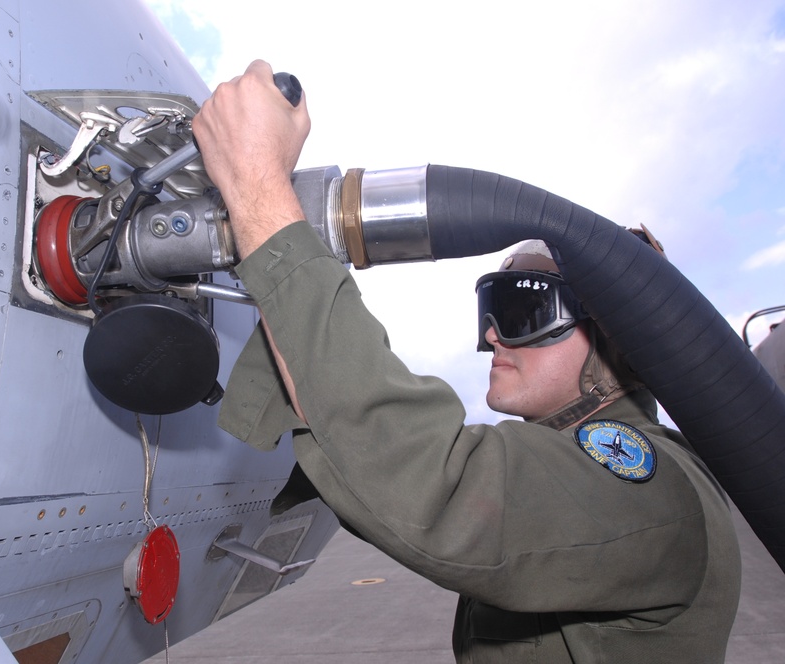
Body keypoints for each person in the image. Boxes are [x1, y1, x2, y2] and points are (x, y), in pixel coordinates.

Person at [193, 60, 741, 663]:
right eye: (490, 308)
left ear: (619, 341)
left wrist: (257, 187)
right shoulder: (579, 469)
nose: (491, 335)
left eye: (523, 312)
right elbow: (374, 471)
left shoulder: (646, 485)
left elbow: (434, 482)